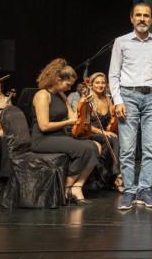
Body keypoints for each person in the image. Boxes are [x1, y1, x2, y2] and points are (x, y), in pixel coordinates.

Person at [109, 2, 152, 210]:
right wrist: (118, 101)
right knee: (127, 148)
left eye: (146, 15)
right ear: (132, 18)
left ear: (151, 19)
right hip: (128, 96)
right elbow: (113, 74)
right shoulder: (121, 42)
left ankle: (144, 189)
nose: (142, 19)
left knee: (150, 148)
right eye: (138, 15)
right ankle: (129, 190)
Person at [31, 58, 100, 205]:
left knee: (95, 146)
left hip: (58, 136)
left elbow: (74, 117)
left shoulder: (61, 95)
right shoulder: (42, 95)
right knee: (83, 149)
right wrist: (68, 122)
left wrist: (82, 103)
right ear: (57, 79)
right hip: (43, 139)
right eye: (67, 84)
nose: (69, 88)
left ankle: (77, 186)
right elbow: (44, 126)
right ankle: (66, 188)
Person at [85, 72, 123, 193]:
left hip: (105, 133)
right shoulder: (87, 100)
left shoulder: (108, 99)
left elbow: (112, 119)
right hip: (91, 132)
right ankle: (117, 175)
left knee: (116, 139)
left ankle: (109, 177)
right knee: (113, 139)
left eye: (103, 82)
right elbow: (85, 125)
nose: (100, 85)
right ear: (91, 84)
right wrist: (103, 132)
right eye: (97, 82)